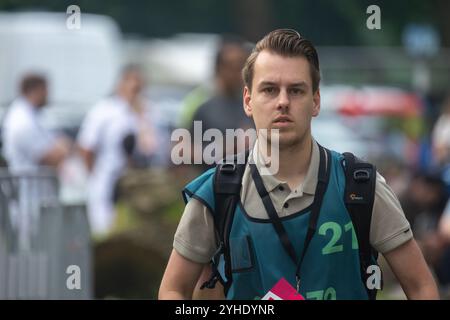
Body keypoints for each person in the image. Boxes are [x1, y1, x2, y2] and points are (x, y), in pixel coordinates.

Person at [159, 29, 439, 300]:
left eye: (296, 91)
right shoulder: (218, 192)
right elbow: (172, 290)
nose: (282, 102)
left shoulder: (360, 187)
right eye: (269, 89)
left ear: (315, 101)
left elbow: (421, 287)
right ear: (248, 101)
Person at [77, 65, 162, 237]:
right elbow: (86, 147)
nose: (136, 92)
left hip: (137, 183)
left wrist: (141, 117)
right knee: (104, 231)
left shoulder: (148, 112)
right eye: (133, 86)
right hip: (108, 181)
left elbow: (152, 147)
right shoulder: (104, 111)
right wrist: (94, 176)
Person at [188, 36, 254, 171]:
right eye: (231, 66)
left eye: (241, 65)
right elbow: (184, 153)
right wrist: (224, 148)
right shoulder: (205, 110)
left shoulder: (255, 107)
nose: (237, 72)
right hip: (214, 184)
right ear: (218, 68)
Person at [2, 74, 71, 172]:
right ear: (35, 91)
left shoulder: (33, 115)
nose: (48, 94)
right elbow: (51, 158)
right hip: (29, 185)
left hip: (37, 184)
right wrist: (65, 147)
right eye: (45, 90)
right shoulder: (22, 121)